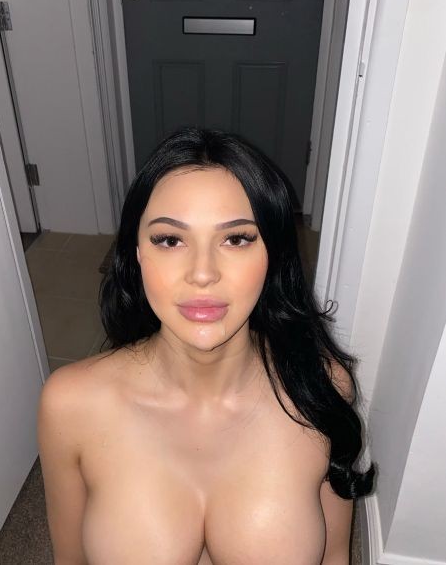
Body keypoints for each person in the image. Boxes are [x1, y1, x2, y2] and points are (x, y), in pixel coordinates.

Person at [37, 128, 375, 564]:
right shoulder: (70, 404)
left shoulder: (321, 387)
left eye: (236, 239)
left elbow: (334, 556)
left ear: (272, 256)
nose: (202, 274)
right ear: (137, 253)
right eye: (170, 239)